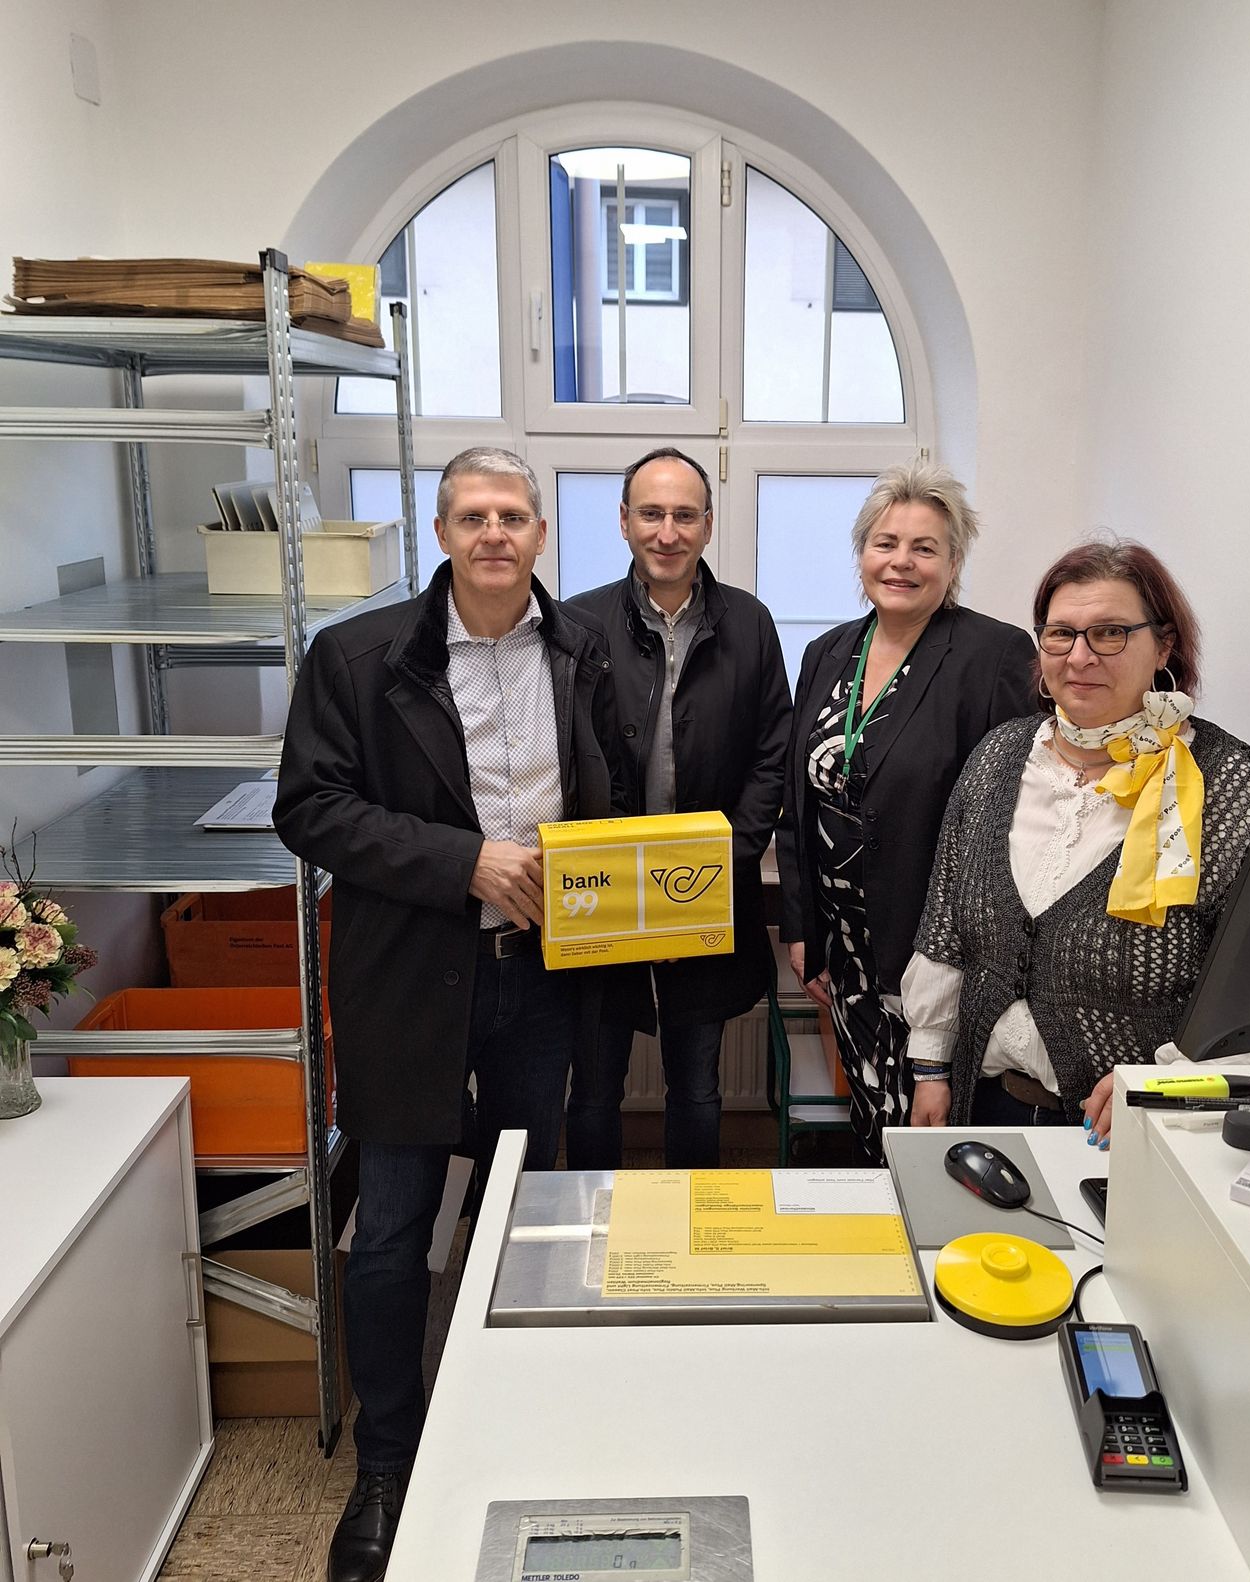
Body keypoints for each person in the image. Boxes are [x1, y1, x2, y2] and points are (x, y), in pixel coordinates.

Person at [273, 447, 621, 1582]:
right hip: (408, 973)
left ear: (538, 533)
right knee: (391, 1229)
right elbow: (310, 808)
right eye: (473, 515)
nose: (494, 534)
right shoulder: (357, 657)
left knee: (526, 1209)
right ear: (440, 530)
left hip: (540, 977)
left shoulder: (582, 650)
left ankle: (504, 1408)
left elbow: (610, 792)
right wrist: (464, 862)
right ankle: (387, 1464)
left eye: (513, 514)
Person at [905, 539, 1250, 1144]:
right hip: (987, 1105)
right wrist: (930, 1067)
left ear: (1164, 645)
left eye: (1109, 633)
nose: (1080, 657)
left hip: (1141, 1135)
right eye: (1061, 634)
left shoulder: (1231, 788)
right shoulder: (997, 759)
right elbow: (947, 927)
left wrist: (1168, 1084)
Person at [776, 461, 1035, 1166]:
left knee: (937, 1136)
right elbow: (799, 804)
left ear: (954, 563)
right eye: (885, 542)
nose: (902, 562)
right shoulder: (827, 653)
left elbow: (1012, 822)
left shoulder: (995, 655)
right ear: (862, 554)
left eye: (925, 548)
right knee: (875, 1118)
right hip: (846, 955)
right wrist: (803, 928)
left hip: (934, 951)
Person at [564, 446, 791, 1169]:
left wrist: (732, 853)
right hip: (602, 895)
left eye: (684, 515)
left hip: (706, 889)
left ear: (708, 525)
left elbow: (772, 755)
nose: (668, 531)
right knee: (594, 1085)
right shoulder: (577, 624)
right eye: (652, 514)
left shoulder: (750, 624)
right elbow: (559, 759)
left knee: (697, 1082)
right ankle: (591, 1237)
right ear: (624, 522)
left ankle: (694, 1233)